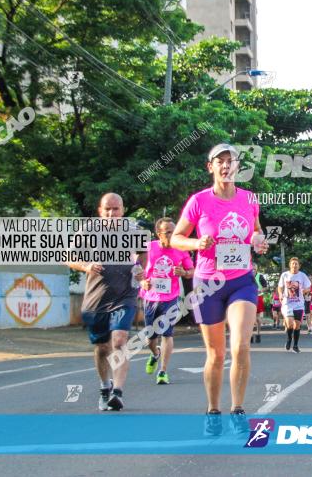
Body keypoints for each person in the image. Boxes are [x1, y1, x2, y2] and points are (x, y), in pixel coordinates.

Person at [171, 144, 269, 436]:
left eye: (231, 161)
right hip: (208, 283)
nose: (226, 166)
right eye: (220, 161)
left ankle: (237, 409)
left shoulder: (249, 198)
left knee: (240, 345)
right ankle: (213, 409)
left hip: (241, 280)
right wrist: (196, 244)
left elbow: (256, 229)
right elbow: (176, 238)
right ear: (210, 166)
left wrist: (258, 241)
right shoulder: (198, 201)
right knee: (216, 354)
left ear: (238, 166)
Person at [67, 192, 146, 411]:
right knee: (102, 348)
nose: (112, 214)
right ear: (100, 211)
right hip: (96, 299)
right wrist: (87, 266)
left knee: (120, 340)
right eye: (107, 209)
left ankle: (118, 393)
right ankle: (105, 386)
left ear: (123, 210)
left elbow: (143, 254)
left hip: (125, 296)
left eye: (116, 209)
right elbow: (69, 258)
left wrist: (142, 271)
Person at [140, 217, 195, 386]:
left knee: (167, 333)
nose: (172, 235)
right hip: (150, 297)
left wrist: (183, 273)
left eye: (174, 231)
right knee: (150, 337)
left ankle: (163, 371)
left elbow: (192, 271)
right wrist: (142, 281)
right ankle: (155, 354)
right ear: (159, 234)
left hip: (171, 297)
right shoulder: (148, 248)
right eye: (168, 232)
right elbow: (136, 269)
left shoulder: (181, 249)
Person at [279, 257, 310, 352]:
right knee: (289, 323)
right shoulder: (285, 275)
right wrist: (280, 294)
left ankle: (295, 345)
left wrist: (305, 290)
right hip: (287, 303)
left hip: (299, 304)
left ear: (299, 266)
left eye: (296, 264)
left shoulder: (302, 276)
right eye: (293, 263)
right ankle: (289, 339)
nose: (294, 265)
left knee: (297, 325)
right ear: (290, 265)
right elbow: (280, 287)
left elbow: (308, 287)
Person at [252, 264, 269, 344]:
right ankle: (250, 335)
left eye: (254, 269)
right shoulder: (247, 276)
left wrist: (261, 290)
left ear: (257, 269)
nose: (253, 270)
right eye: (252, 269)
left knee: (258, 319)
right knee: (250, 318)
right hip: (249, 298)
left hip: (258, 298)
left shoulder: (260, 276)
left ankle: (258, 334)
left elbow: (266, 287)